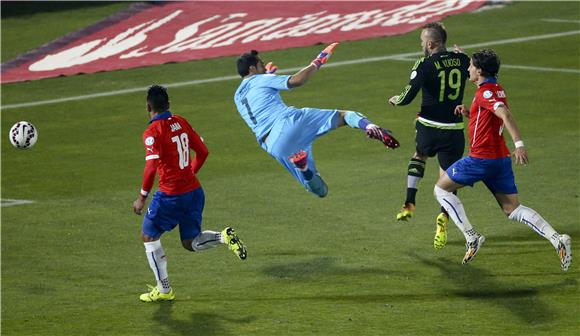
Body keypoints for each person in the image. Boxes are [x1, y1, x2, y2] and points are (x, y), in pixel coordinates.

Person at [433, 49, 572, 271]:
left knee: (441, 190)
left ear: (479, 71)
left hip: (481, 159)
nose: (467, 69)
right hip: (500, 160)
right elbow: (490, 116)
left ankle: (471, 236)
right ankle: (557, 238)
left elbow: (504, 115)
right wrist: (471, 113)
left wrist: (519, 144)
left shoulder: (485, 94)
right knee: (513, 209)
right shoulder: (495, 89)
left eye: (470, 65)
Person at [234, 43, 400, 198]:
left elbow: (258, 99)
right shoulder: (261, 79)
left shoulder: (237, 96)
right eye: (261, 64)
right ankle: (372, 127)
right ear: (252, 68)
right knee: (346, 115)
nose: (264, 66)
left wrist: (267, 75)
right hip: (288, 123)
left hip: (274, 146)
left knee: (319, 190)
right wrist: (318, 61)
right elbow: (297, 80)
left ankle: (304, 169)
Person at [133, 85, 248, 302]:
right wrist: (189, 173)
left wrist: (142, 197)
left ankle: (164, 289)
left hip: (170, 196)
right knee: (190, 242)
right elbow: (203, 151)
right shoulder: (181, 121)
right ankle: (223, 237)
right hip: (194, 191)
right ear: (168, 104)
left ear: (148, 106)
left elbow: (150, 168)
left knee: (148, 235)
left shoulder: (152, 132)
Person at [389, 22, 470, 249]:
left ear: (431, 43)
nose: (422, 44)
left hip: (429, 126)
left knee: (419, 156)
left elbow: (408, 94)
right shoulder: (462, 60)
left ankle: (409, 203)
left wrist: (397, 99)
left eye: (423, 41)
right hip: (453, 130)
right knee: (447, 180)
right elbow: (475, 74)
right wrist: (464, 58)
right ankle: (443, 218)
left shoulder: (425, 64)